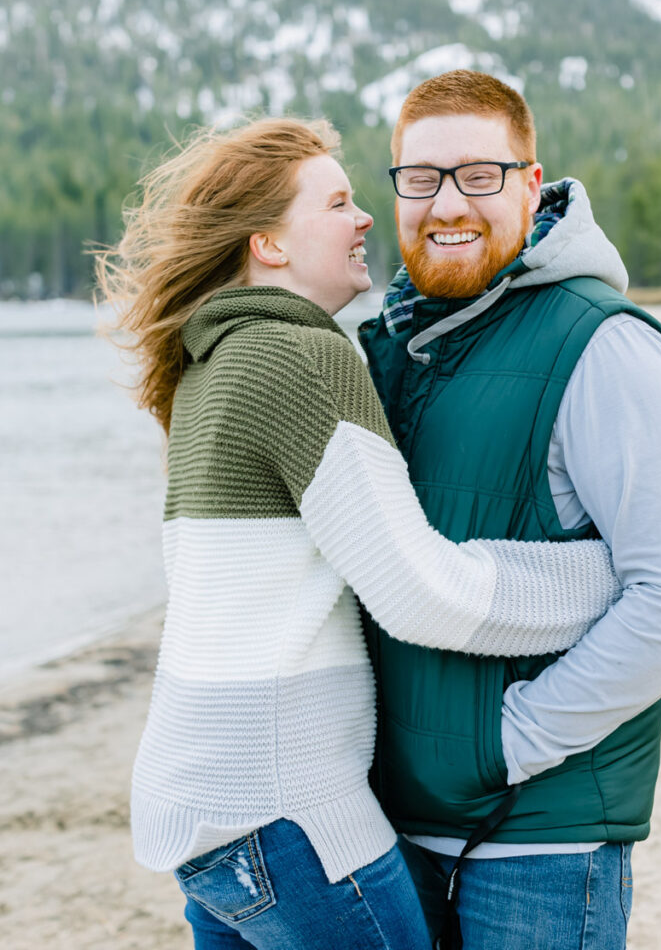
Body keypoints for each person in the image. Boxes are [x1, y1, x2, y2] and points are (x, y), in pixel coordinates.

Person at [95, 117, 624, 950]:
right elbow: (423, 595)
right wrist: (610, 576)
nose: (366, 216)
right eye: (338, 201)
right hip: (288, 808)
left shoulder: (210, 361)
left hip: (198, 808)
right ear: (269, 244)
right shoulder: (301, 356)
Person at [358, 70, 661, 950]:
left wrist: (508, 741)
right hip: (397, 836)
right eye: (421, 178)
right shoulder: (400, 346)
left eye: (478, 175)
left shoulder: (603, 344)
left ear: (534, 185)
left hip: (540, 851)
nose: (448, 203)